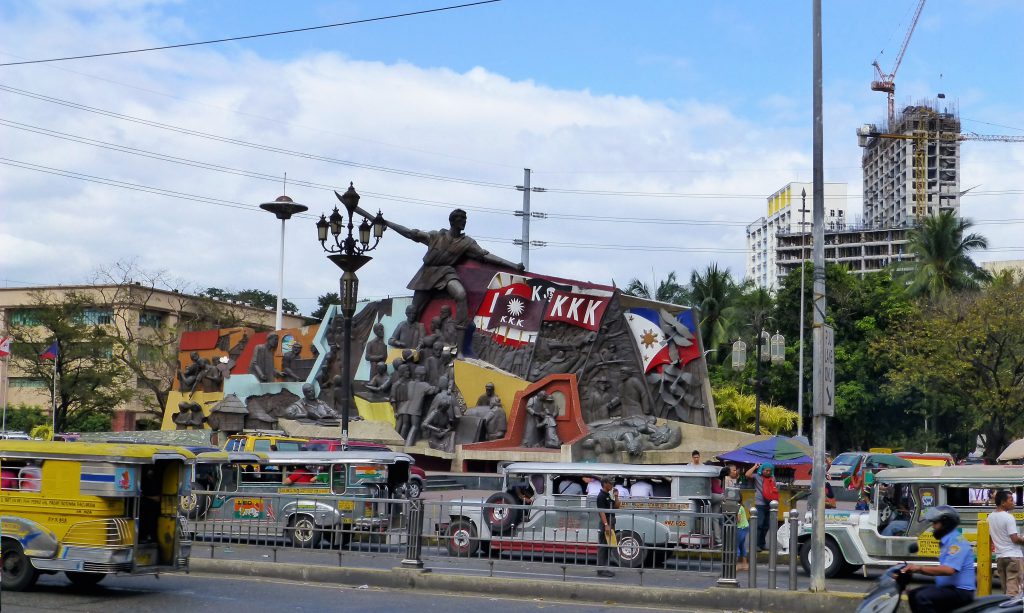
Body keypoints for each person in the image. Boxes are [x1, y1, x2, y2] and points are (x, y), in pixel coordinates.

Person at [902, 506, 975, 612]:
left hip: (960, 591)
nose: (933, 526)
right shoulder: (947, 541)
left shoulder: (957, 542)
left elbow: (948, 570)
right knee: (913, 595)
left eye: (935, 523)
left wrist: (919, 568)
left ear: (946, 524)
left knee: (923, 597)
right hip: (948, 589)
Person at [989, 490, 1024, 596]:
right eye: (1011, 500)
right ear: (1003, 502)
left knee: (1005, 589)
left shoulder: (990, 517)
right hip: (1014, 556)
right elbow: (1014, 539)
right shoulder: (1008, 517)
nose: (1013, 502)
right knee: (1014, 590)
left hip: (1000, 557)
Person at [745, 463, 778, 551]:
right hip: (760, 503)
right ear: (762, 470)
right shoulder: (757, 477)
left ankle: (762, 544)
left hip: (770, 503)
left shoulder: (772, 478)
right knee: (759, 524)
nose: (768, 472)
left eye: (770, 471)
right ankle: (755, 545)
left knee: (766, 526)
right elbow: (747, 475)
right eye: (766, 470)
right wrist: (755, 466)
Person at [596, 476, 617, 577]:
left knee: (608, 546)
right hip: (606, 523)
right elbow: (602, 512)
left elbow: (616, 507)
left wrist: (616, 496)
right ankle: (601, 569)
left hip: (610, 522)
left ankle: (605, 568)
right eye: (610, 483)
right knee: (603, 547)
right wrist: (606, 525)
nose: (612, 485)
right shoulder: (601, 496)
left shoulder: (608, 495)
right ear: (605, 483)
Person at [736, 503, 750, 571]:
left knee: (736, 545)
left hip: (740, 527)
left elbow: (738, 519)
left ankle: (736, 564)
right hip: (744, 527)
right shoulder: (740, 506)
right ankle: (745, 564)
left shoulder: (737, 507)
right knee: (741, 545)